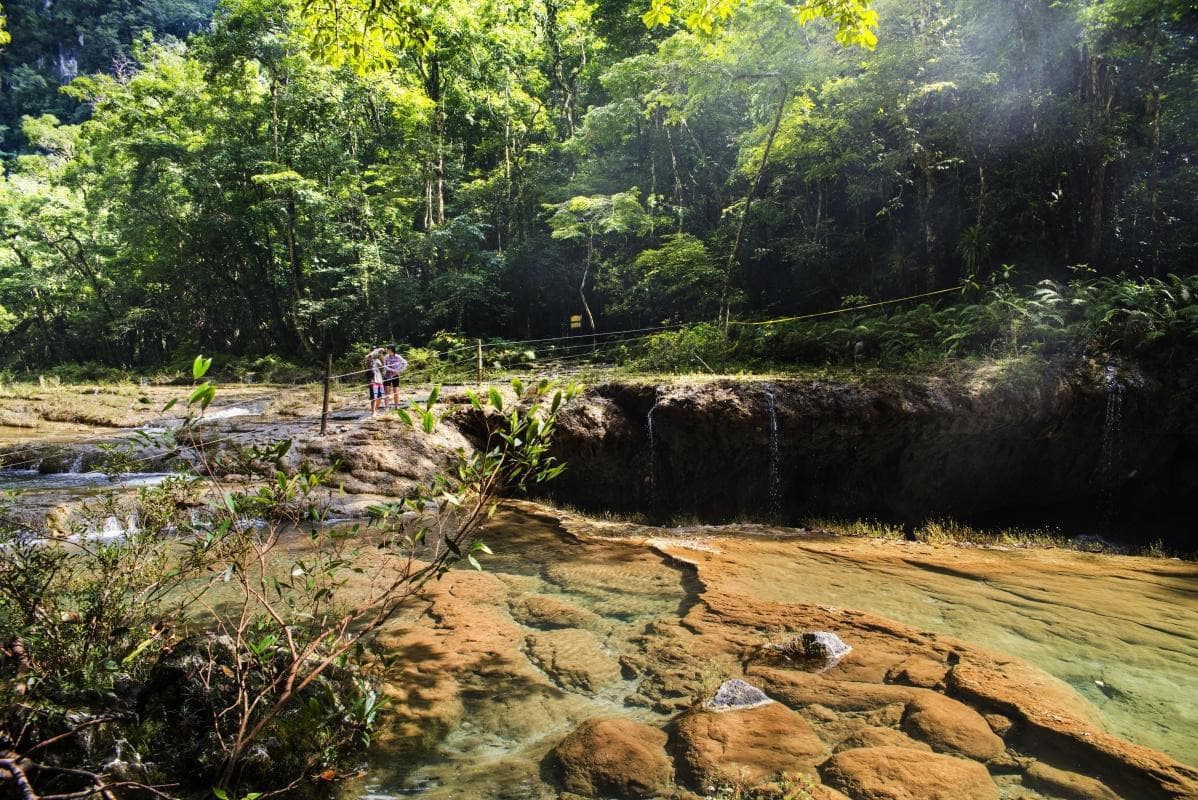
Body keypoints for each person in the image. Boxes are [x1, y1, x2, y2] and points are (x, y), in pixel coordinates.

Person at [383, 345, 408, 410]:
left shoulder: (398, 357)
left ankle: (396, 406)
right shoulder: (386, 357)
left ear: (391, 350)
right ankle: (387, 407)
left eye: (387, 349)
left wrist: (400, 371)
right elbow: (384, 366)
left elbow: (405, 363)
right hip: (387, 376)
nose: (386, 351)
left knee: (396, 391)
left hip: (395, 376)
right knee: (387, 391)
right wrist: (393, 370)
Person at [367, 348, 386, 416]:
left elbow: (383, 370)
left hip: (379, 379)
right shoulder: (368, 360)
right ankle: (373, 412)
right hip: (372, 380)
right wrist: (378, 349)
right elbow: (370, 356)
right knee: (374, 397)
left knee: (380, 396)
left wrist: (383, 360)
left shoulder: (378, 360)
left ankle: (375, 410)